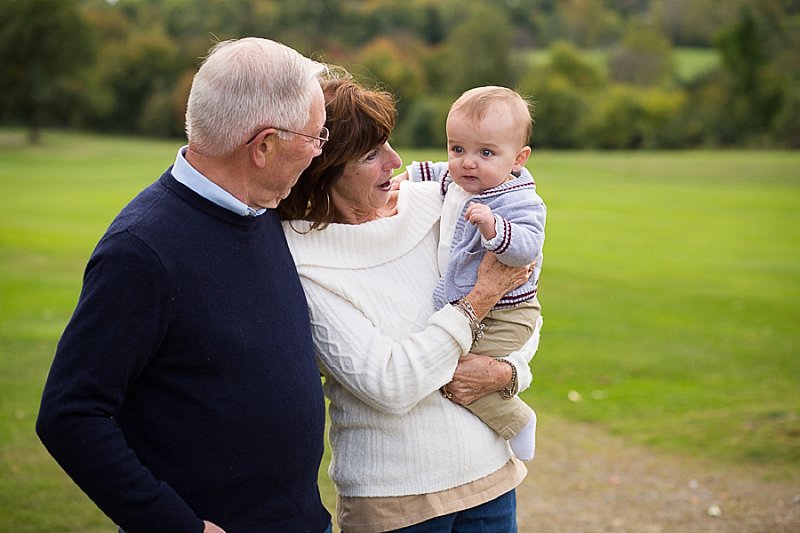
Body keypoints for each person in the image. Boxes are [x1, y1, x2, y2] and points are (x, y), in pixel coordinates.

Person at [36, 37, 333, 533]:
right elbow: (71, 414)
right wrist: (173, 524)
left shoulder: (260, 209)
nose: (319, 151)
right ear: (263, 145)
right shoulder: (141, 251)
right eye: (315, 136)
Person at [277, 76, 541, 532]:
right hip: (399, 501)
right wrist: (477, 301)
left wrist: (510, 373)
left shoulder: (434, 202)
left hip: (492, 478)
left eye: (388, 143)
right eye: (370, 154)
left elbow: (521, 303)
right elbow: (392, 384)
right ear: (325, 170)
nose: (396, 162)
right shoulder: (302, 262)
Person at [400, 86, 546, 462]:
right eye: (457, 148)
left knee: (454, 371)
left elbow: (527, 246)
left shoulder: (518, 199)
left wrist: (494, 228)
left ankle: (517, 421)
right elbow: (433, 172)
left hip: (507, 313)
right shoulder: (460, 180)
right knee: (448, 365)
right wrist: (406, 179)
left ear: (518, 158)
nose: (467, 163)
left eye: (485, 153)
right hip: (475, 308)